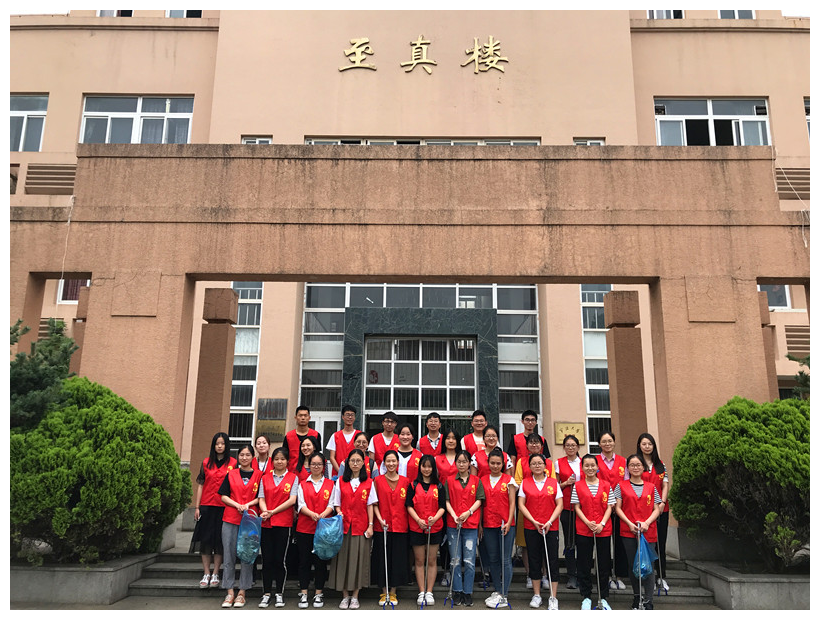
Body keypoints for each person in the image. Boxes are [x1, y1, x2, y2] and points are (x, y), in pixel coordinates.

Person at [614, 454, 663, 610]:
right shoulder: (621, 486)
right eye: (632, 465)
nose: (635, 468)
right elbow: (617, 508)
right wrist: (629, 523)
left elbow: (657, 509)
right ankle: (637, 596)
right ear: (627, 468)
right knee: (632, 564)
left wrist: (647, 522)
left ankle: (649, 600)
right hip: (629, 531)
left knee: (648, 565)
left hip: (648, 531)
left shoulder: (651, 487)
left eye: (638, 465)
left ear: (643, 467)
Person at [190, 431, 237, 590]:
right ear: (213, 445)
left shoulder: (233, 463)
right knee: (206, 540)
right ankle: (206, 573)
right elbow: (201, 485)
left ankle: (216, 572)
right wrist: (197, 507)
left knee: (219, 541)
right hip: (207, 506)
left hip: (224, 507)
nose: (220, 446)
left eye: (222, 443)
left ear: (227, 445)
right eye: (217, 443)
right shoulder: (206, 462)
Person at [218, 443, 262, 608]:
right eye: (242, 455)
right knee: (229, 555)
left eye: (247, 455)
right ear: (238, 457)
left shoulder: (259, 475)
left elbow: (261, 496)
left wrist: (248, 504)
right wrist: (236, 504)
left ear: (253, 457)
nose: (244, 458)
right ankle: (229, 591)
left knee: (247, 555)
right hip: (230, 518)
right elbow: (223, 496)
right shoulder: (231, 474)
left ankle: (242, 592)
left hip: (250, 521)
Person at [329, 449, 374, 610]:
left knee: (359, 561)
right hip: (344, 526)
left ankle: (355, 596)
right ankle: (344, 596)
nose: (355, 463)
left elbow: (370, 505)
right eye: (352, 461)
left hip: (361, 527)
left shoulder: (369, 482)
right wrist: (339, 512)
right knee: (343, 561)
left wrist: (370, 525)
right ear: (348, 463)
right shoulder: (340, 481)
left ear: (363, 464)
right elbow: (336, 503)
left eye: (358, 461)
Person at [517, 453, 562, 610]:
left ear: (545, 466)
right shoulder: (525, 483)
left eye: (540, 463)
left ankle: (553, 597)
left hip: (551, 527)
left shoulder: (553, 483)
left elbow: (560, 504)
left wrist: (549, 521)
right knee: (534, 560)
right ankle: (537, 595)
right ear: (529, 467)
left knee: (552, 560)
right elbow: (521, 505)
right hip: (531, 527)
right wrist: (533, 521)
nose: (537, 466)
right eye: (534, 463)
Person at [257, 447, 298, 608]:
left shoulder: (293, 478)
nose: (279, 461)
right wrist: (265, 511)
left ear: (287, 461)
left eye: (282, 459)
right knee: (267, 560)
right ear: (272, 461)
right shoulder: (265, 477)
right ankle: (266, 593)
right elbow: (261, 497)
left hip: (283, 524)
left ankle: (279, 593)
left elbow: (292, 500)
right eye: (276, 459)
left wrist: (272, 511)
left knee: (279, 560)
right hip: (266, 523)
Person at [572, 454, 615, 610]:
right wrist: (587, 522)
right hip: (584, 529)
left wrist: (602, 523)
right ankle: (586, 596)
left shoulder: (606, 485)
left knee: (603, 564)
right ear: (582, 468)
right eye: (586, 465)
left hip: (603, 529)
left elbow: (610, 506)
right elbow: (577, 507)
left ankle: (603, 597)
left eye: (592, 465)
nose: (590, 468)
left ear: (597, 467)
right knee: (584, 563)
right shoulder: (577, 486)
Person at [513, 432, 554, 589]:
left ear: (542, 446)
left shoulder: (548, 463)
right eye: (531, 442)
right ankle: (530, 575)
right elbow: (518, 482)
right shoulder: (521, 462)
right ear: (527, 445)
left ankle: (544, 575)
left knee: (544, 544)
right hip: (526, 507)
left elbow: (551, 483)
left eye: (537, 442)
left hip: (545, 508)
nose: (534, 445)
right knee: (526, 544)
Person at [444, 449, 484, 606]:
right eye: (459, 461)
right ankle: (457, 591)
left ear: (469, 464)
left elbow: (479, 500)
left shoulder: (476, 480)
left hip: (470, 524)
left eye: (464, 461)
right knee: (455, 560)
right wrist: (454, 515)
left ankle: (468, 592)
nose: (461, 464)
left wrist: (468, 512)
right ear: (455, 463)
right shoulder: (449, 480)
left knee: (469, 561)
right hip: (453, 524)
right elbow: (446, 500)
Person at [295, 451, 335, 609]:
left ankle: (319, 593)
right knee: (304, 562)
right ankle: (304, 593)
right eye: (313, 464)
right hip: (305, 528)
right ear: (309, 465)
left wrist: (322, 515)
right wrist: (312, 514)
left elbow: (332, 504)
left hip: (323, 530)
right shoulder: (302, 484)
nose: (316, 467)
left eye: (319, 464)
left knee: (321, 562)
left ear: (324, 466)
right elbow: (300, 504)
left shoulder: (330, 484)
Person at [371, 450, 411, 607]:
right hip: (382, 526)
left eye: (394, 461)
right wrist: (379, 519)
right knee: (382, 559)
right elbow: (373, 503)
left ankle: (393, 592)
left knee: (397, 559)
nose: (391, 464)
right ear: (384, 463)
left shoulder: (406, 482)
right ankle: (384, 591)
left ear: (398, 463)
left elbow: (408, 505)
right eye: (388, 461)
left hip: (400, 526)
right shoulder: (377, 481)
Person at [406, 454, 446, 607]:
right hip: (417, 527)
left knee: (432, 560)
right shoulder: (413, 485)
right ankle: (421, 591)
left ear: (433, 468)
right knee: (419, 560)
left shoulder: (439, 486)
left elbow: (442, 506)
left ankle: (429, 591)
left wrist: (434, 518)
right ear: (420, 467)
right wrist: (418, 520)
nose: (427, 469)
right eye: (424, 466)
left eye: (429, 466)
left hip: (434, 527)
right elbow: (409, 505)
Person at [480, 449, 517, 609]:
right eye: (492, 463)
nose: (495, 466)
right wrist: (480, 525)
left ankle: (504, 594)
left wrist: (508, 521)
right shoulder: (482, 480)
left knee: (505, 559)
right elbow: (481, 504)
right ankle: (497, 590)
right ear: (488, 463)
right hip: (489, 524)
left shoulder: (509, 480)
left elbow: (512, 502)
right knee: (493, 559)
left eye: (498, 463)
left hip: (505, 525)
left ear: (503, 464)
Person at [637, 432, 671, 592]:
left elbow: (665, 484)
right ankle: (644, 576)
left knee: (660, 543)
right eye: (644, 444)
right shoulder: (637, 463)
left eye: (650, 444)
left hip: (661, 509)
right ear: (639, 446)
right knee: (645, 544)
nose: (647, 447)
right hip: (643, 510)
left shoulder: (660, 465)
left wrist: (662, 502)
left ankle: (661, 576)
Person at [595, 430, 628, 591]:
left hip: (620, 507)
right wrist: (609, 501)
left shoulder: (623, 461)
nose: (607, 444)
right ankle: (606, 576)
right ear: (599, 444)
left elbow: (626, 483)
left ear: (614, 442)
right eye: (604, 441)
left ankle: (619, 576)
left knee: (619, 543)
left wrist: (617, 501)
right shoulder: (594, 461)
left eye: (610, 441)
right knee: (604, 545)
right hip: (600, 507)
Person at [434, 428, 460, 587]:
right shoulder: (437, 459)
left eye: (453, 438)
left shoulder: (462, 458)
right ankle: (446, 571)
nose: (451, 441)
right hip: (441, 503)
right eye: (448, 438)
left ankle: (457, 570)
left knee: (457, 538)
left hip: (459, 502)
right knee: (444, 538)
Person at [556, 434, 581, 589]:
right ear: (564, 448)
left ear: (578, 447)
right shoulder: (559, 463)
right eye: (568, 445)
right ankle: (571, 574)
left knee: (582, 542)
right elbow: (554, 486)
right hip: (567, 507)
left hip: (583, 507)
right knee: (569, 541)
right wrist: (565, 483)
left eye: (573, 445)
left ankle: (583, 573)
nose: (570, 448)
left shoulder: (584, 462)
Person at [284, 405, 321, 473]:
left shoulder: (315, 435)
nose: (303, 418)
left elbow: (318, 454)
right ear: (295, 417)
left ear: (309, 418)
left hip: (312, 472)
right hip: (292, 472)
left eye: (305, 415)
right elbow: (285, 456)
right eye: (300, 415)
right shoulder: (289, 436)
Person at [328, 404, 359, 475]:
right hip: (338, 473)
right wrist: (341, 472)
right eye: (347, 415)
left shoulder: (359, 435)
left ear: (355, 417)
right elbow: (332, 457)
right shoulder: (335, 436)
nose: (350, 417)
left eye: (352, 415)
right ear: (342, 417)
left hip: (356, 474)